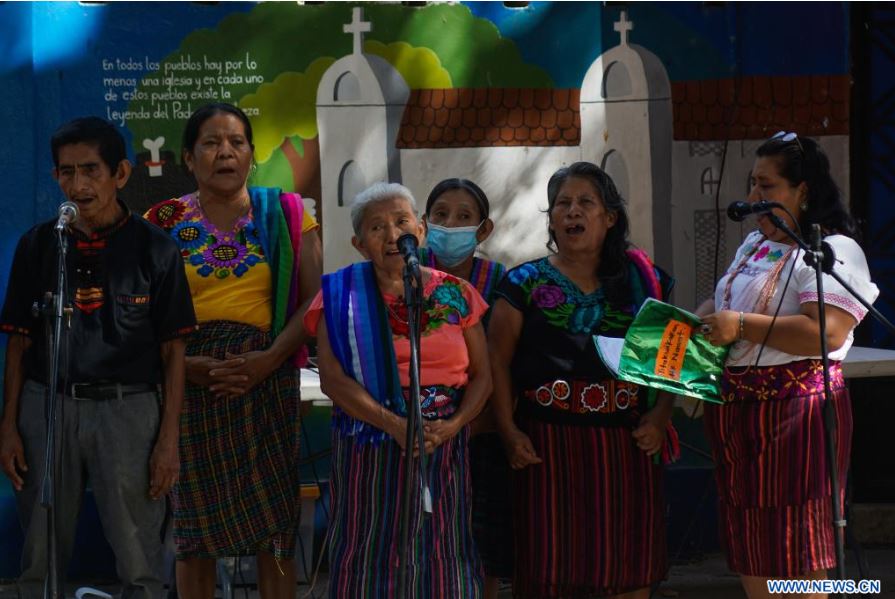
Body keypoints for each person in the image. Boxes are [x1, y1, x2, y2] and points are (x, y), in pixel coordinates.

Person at [0, 117, 196, 599]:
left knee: (137, 552)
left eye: (91, 170)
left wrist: (168, 438)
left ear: (121, 174)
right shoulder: (39, 245)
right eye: (67, 172)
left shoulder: (157, 249)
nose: (79, 185)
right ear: (55, 178)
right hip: (48, 406)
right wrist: (8, 426)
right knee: (39, 552)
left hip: (129, 411)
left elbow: (174, 351)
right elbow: (20, 342)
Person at [144, 103, 322, 599]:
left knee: (275, 527)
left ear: (251, 155)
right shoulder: (161, 222)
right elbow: (141, 313)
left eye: (236, 142)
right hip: (190, 388)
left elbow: (314, 300)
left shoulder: (287, 214)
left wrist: (267, 360)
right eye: (210, 142)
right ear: (188, 157)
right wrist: (188, 367)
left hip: (264, 384)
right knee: (195, 533)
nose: (225, 152)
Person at [698, 132, 879, 599]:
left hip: (796, 417)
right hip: (739, 416)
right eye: (752, 185)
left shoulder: (831, 249)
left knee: (794, 544)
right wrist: (694, 321)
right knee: (752, 541)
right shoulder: (753, 247)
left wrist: (738, 325)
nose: (754, 198)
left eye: (767, 186)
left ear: (803, 190)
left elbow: (828, 331)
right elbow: (728, 306)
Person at [489, 161, 675, 598]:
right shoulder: (524, 283)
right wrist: (508, 429)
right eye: (562, 204)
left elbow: (667, 362)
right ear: (551, 219)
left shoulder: (644, 282)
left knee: (627, 566)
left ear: (610, 217)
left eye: (585, 203)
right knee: (548, 566)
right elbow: (496, 360)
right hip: (547, 445)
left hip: (624, 445)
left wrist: (661, 417)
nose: (573, 212)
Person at [304, 182, 491, 597]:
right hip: (368, 442)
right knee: (370, 546)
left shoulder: (456, 293)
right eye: (377, 227)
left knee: (442, 546)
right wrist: (393, 424)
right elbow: (333, 380)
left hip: (441, 443)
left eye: (402, 222)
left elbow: (484, 377)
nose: (392, 235)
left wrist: (453, 425)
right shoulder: (339, 296)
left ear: (420, 231)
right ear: (358, 243)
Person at [420, 178, 510, 597]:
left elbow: (499, 363)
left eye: (463, 217)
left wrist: (467, 422)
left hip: (480, 432)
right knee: (421, 540)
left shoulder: (498, 282)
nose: (449, 224)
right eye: (440, 215)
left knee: (482, 540)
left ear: (483, 229)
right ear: (423, 224)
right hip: (416, 434)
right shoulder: (403, 275)